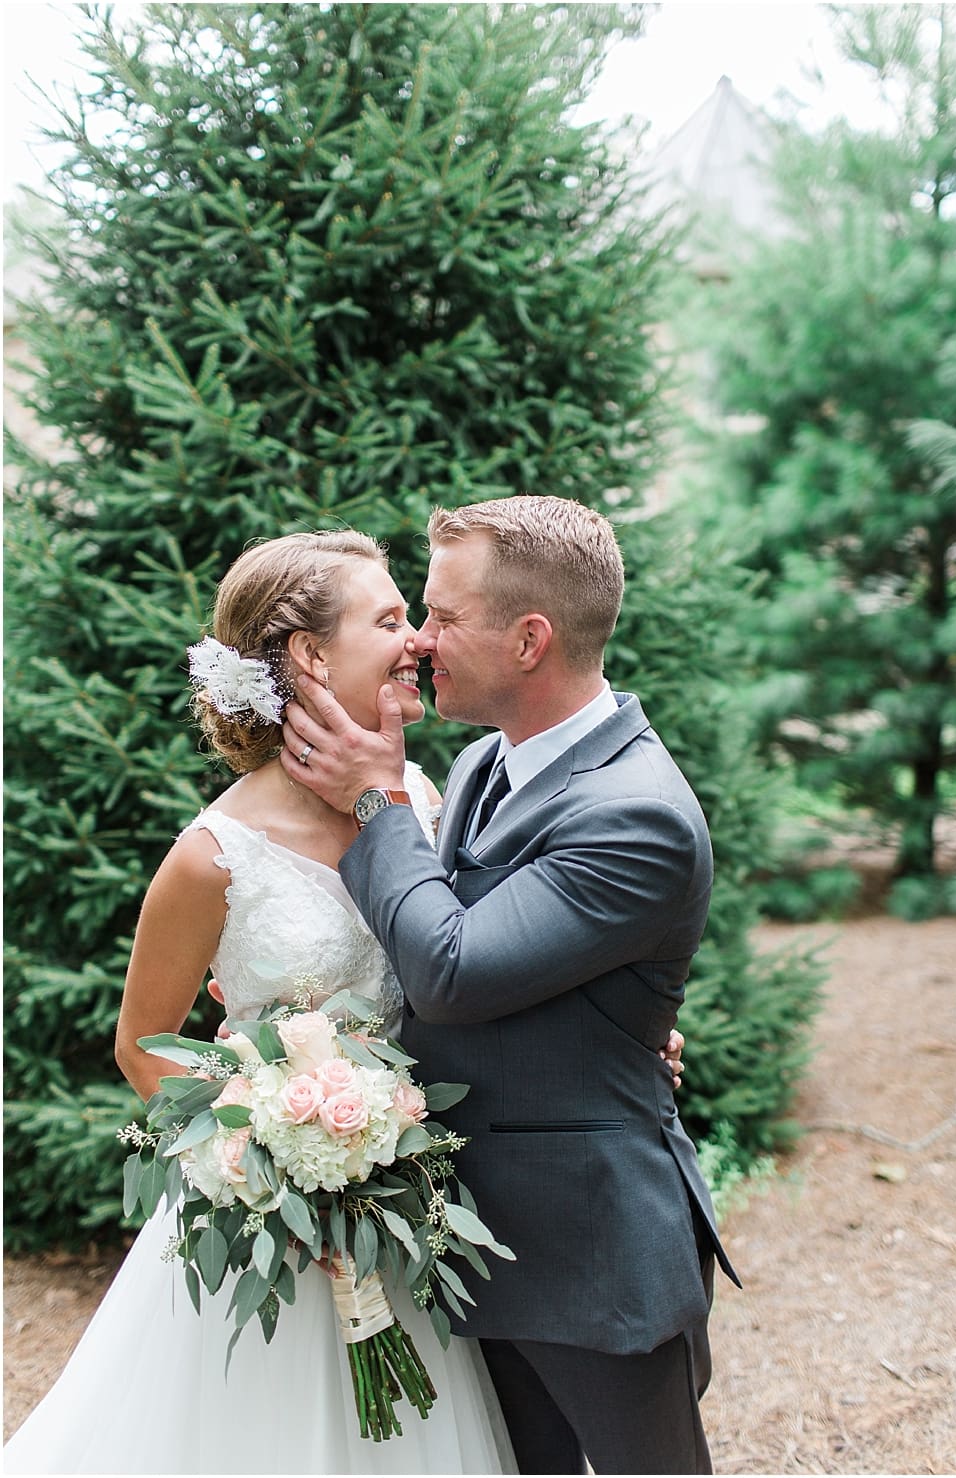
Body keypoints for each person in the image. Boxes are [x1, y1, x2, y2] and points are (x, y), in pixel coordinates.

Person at [4, 531, 515, 1473]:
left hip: (407, 1212)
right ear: (312, 657)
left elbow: (476, 967)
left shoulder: (422, 800)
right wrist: (264, 1155)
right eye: (390, 619)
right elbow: (143, 1047)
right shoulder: (212, 856)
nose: (417, 641)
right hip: (268, 1230)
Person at [278, 495, 735, 1475]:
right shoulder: (487, 759)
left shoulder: (638, 813)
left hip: (593, 1249)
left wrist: (376, 795)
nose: (421, 643)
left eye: (442, 616)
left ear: (530, 639)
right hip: (474, 1236)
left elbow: (450, 967)